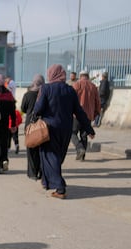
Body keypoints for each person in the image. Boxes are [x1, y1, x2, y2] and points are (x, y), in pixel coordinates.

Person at [33, 64, 95, 199]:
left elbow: (38, 108)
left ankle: (60, 188)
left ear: (51, 74)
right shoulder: (70, 90)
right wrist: (89, 129)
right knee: (57, 157)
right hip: (66, 129)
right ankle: (47, 181)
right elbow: (79, 112)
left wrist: (34, 117)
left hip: (50, 129)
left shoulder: (46, 88)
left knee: (50, 156)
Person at [72, 70, 101, 160]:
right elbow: (97, 102)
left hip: (77, 115)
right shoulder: (93, 87)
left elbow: (70, 99)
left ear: (80, 76)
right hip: (88, 115)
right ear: (88, 76)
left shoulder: (76, 85)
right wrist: (95, 113)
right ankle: (82, 157)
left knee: (72, 133)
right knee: (84, 135)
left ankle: (79, 148)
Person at [20, 74, 45, 181]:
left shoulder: (28, 95)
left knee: (31, 149)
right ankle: (41, 172)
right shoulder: (45, 94)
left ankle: (32, 172)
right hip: (42, 124)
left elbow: (23, 108)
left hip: (30, 124)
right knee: (41, 149)